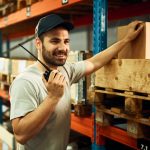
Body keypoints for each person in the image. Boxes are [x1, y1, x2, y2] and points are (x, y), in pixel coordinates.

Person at [9, 14, 144, 150]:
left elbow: (94, 62)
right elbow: (21, 135)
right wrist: (52, 98)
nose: (63, 48)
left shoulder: (65, 70)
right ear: (38, 43)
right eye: (55, 41)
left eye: (66, 41)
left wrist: (126, 39)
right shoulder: (25, 81)